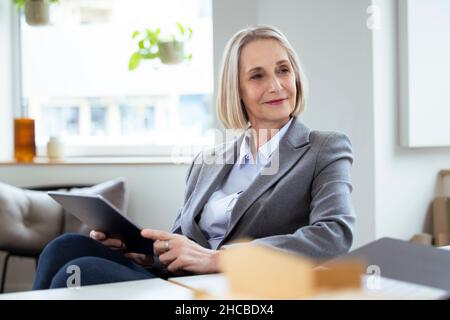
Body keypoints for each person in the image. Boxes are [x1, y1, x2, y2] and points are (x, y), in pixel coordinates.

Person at [32, 25, 355, 290]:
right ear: (236, 89)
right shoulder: (209, 160)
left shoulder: (323, 148)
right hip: (182, 282)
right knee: (63, 248)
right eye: (257, 76)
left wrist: (218, 259)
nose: (276, 85)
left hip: (238, 287)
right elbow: (183, 244)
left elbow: (334, 234)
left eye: (283, 70)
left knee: (80, 272)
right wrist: (143, 255)